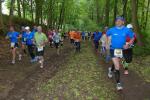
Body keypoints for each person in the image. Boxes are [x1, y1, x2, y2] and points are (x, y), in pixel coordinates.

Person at [106, 17, 134, 91]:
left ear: (123, 22)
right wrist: (108, 42)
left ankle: (110, 70)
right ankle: (118, 84)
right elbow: (107, 35)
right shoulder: (111, 30)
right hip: (113, 49)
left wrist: (128, 45)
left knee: (116, 63)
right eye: (116, 21)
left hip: (121, 50)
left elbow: (132, 37)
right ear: (115, 22)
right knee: (117, 66)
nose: (118, 22)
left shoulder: (127, 30)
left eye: (120, 21)